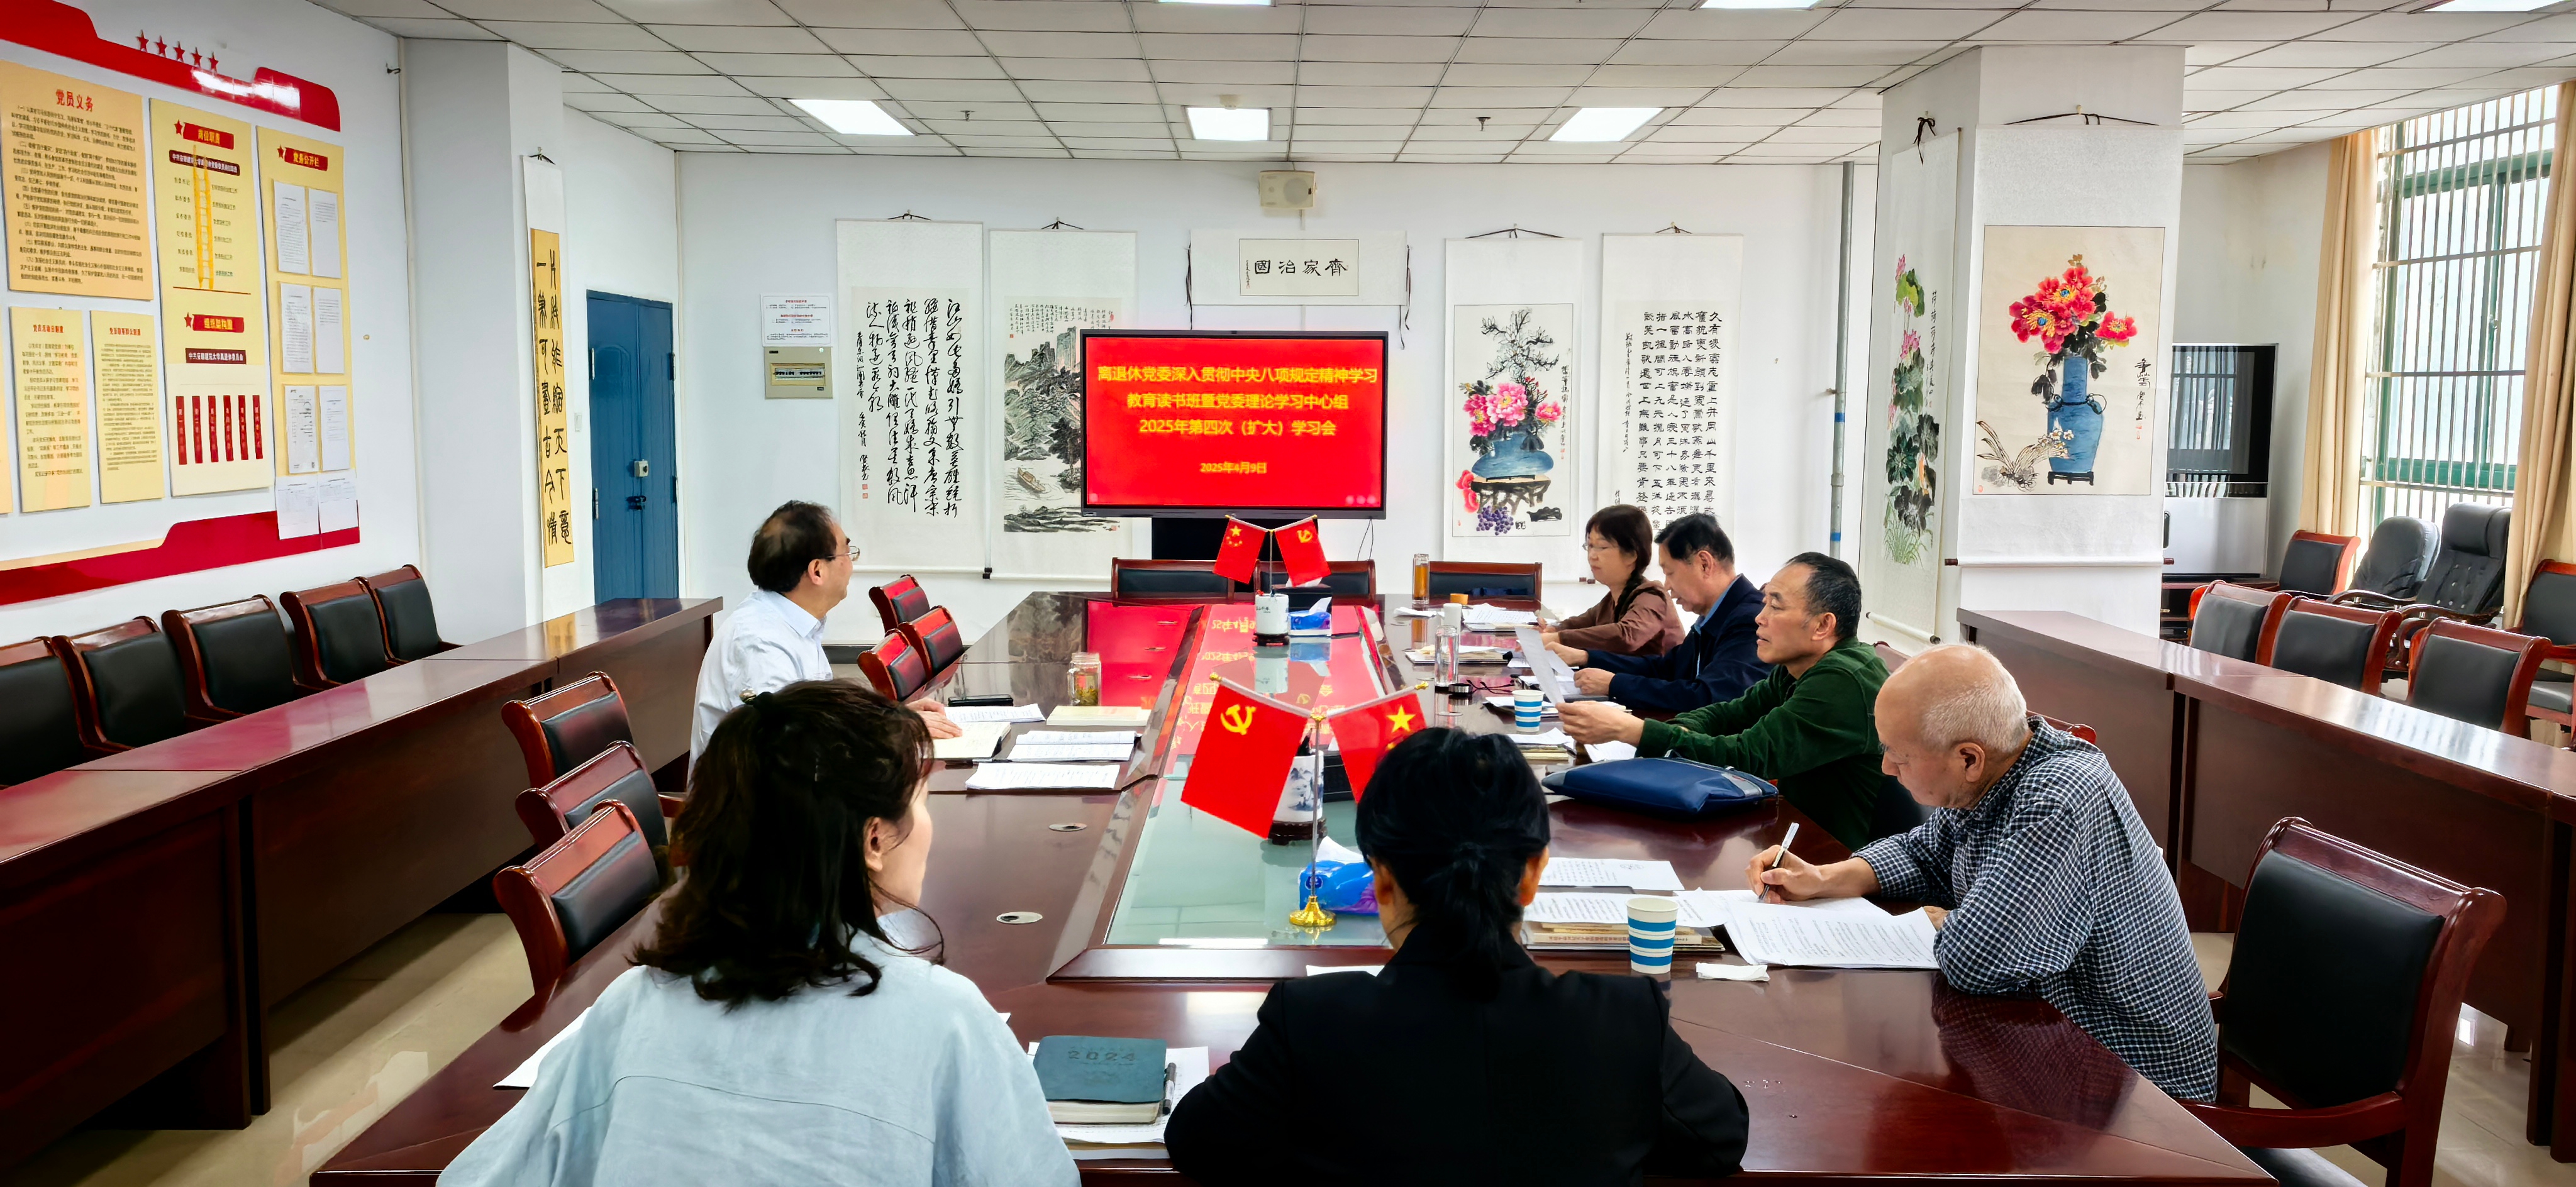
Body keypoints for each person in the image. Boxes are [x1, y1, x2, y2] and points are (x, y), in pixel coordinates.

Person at [441, 681, 1078, 1185]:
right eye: (921, 801)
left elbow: (485, 1176)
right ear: (873, 840)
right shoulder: (946, 1018)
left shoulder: (634, 1004)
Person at [1165, 728, 1748, 1186]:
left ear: (1383, 881)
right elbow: (1720, 1139)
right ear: (1533, 874)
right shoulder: (1624, 1018)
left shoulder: (1311, 1019)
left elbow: (1197, 1142)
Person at [1745, 645, 2217, 1103]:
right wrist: (1823, 878)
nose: (1886, 768)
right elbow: (1925, 854)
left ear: (1968, 759)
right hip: (2046, 1036)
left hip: (2133, 1085)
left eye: (1899, 756)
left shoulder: (2059, 801)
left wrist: (1952, 922)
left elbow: (1978, 959)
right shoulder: (1996, 772)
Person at [1560, 553, 1887, 850]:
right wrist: (1679, 730)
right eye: (1764, 603)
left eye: (1776, 607)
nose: (1760, 617)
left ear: (1823, 625)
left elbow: (1748, 755)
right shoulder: (1798, 667)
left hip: (1833, 858)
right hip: (1792, 835)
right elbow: (1729, 713)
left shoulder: (1843, 680)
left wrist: (1633, 730)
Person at [691, 500, 957, 761]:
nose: (851, 565)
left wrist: (890, 718)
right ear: (817, 570)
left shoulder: (793, 622)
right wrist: (888, 731)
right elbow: (790, 751)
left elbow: (819, 721)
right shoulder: (760, 643)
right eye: (847, 553)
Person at [1544, 513, 1765, 712]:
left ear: (1704, 564)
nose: (1667, 585)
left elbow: (1708, 697)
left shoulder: (1751, 621)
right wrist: (1587, 658)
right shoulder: (1714, 617)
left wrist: (1614, 684)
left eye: (1670, 573)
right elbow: (1666, 668)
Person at [1543, 505, 1685, 658]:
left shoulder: (1652, 597)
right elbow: (1580, 623)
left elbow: (1626, 635)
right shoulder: (1612, 599)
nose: (1592, 556)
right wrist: (1553, 628)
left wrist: (1559, 638)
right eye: (1590, 546)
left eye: (1602, 547)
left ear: (1631, 555)